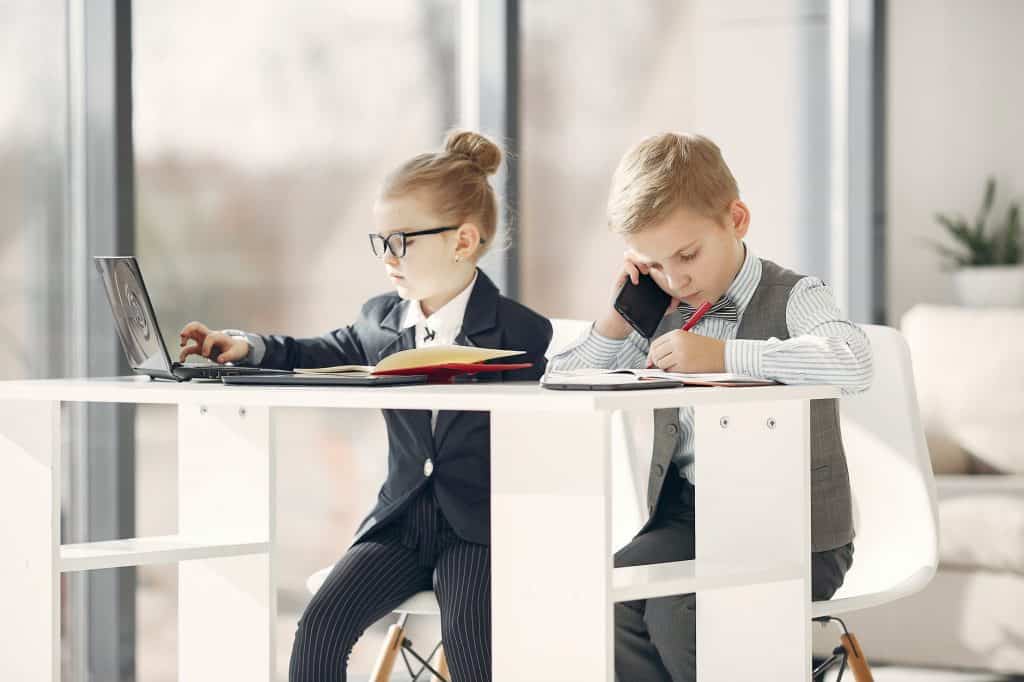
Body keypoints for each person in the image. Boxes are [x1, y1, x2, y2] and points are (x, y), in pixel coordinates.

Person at [179, 130, 552, 682]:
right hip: (399, 522)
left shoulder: (522, 331)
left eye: (401, 241)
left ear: (463, 240)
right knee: (319, 629)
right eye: (380, 242)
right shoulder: (380, 320)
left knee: (475, 652)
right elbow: (317, 351)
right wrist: (246, 347)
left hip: (479, 529)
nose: (388, 258)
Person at [548, 132, 873, 682]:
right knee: (609, 597)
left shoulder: (795, 294)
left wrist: (724, 354)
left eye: (687, 255)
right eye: (652, 264)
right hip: (688, 519)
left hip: (796, 531)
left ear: (737, 219)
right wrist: (620, 316)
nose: (676, 279)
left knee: (684, 607)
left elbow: (853, 361)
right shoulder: (663, 305)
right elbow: (561, 379)